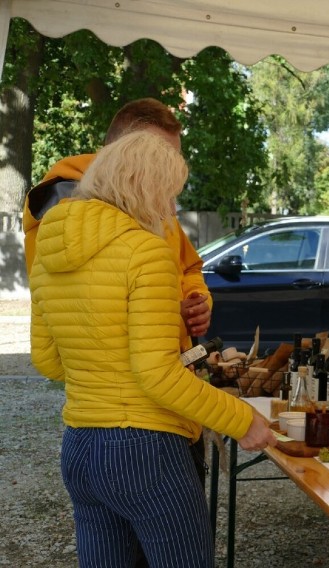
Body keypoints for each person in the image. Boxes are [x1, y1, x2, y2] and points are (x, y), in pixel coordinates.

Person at [29, 130, 277, 568]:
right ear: (147, 189)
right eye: (170, 195)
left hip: (80, 446)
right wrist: (243, 420)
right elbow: (158, 375)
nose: (172, 208)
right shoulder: (146, 251)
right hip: (145, 451)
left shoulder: (48, 248)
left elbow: (48, 361)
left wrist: (106, 363)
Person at [23, 98, 213, 484]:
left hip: (168, 406)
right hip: (136, 415)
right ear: (122, 150)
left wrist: (197, 299)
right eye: (159, 157)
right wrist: (245, 422)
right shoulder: (60, 203)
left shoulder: (152, 197)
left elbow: (188, 266)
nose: (169, 178)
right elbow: (72, 319)